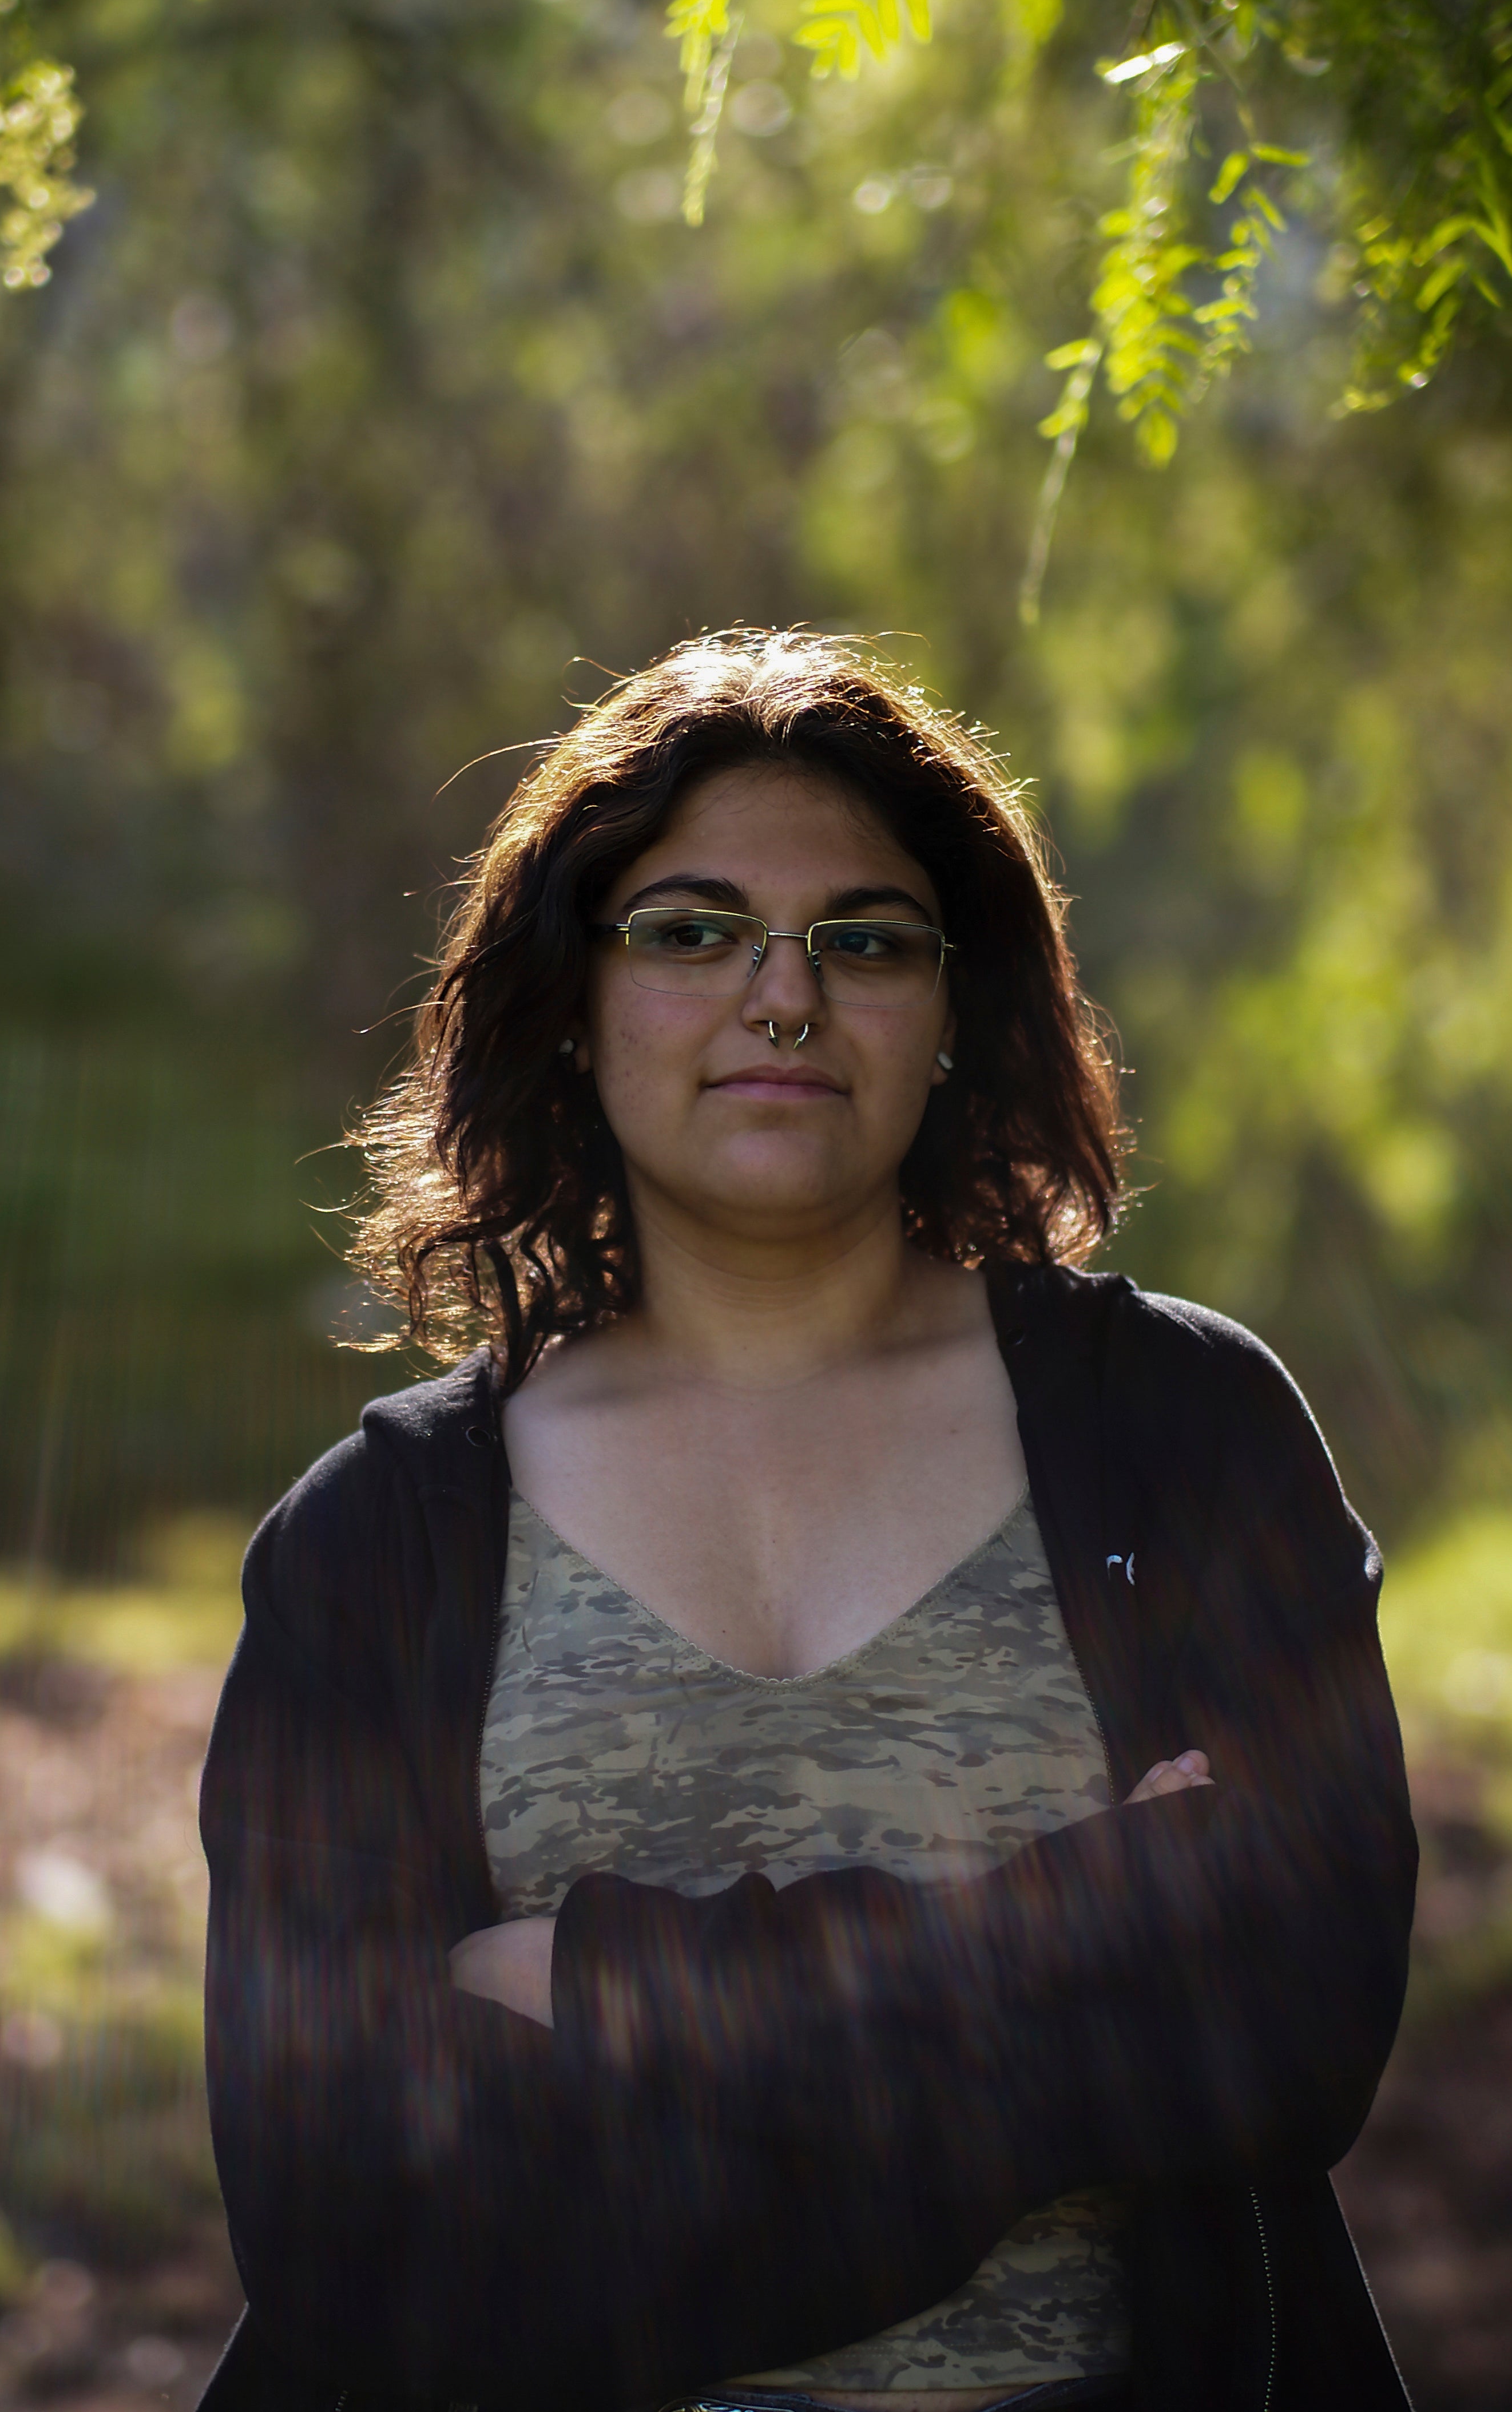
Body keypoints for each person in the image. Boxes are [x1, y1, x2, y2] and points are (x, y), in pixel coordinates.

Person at [193, 632, 1416, 2412]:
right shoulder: (372, 1546)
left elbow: (1293, 2025)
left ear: (954, 1011)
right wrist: (1085, 1922)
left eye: (866, 941)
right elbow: (346, 2224)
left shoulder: (1181, 1431)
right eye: (691, 932)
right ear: (572, 1000)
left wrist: (604, 1985)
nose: (785, 999)